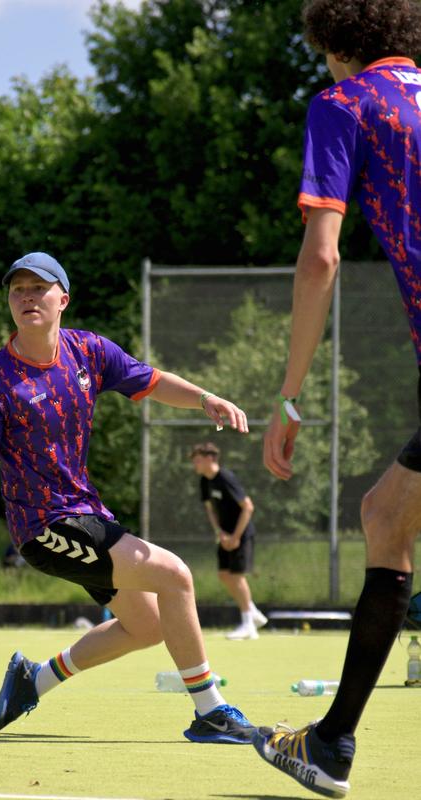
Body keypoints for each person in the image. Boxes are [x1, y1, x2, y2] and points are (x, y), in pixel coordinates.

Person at [0, 251, 255, 744]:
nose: (27, 297)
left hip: (86, 513)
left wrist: (204, 398)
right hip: (44, 527)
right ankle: (211, 712)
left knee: (147, 626)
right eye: (18, 290)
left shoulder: (89, 351)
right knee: (176, 575)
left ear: (63, 299)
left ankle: (33, 681)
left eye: (39, 288)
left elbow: (153, 381)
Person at [252, 2, 421, 797]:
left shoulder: (344, 104)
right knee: (387, 515)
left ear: (338, 42)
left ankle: (331, 744)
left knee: (385, 519)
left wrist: (289, 398)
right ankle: (329, 743)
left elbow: (321, 258)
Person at [190, 442, 267, 640]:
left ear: (210, 459)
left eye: (198, 460)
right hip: (225, 535)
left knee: (237, 576)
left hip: (242, 533)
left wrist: (235, 537)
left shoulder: (225, 478)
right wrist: (220, 533)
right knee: (224, 575)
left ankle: (248, 625)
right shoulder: (204, 481)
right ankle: (253, 612)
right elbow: (210, 509)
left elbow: (248, 507)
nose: (195, 464)